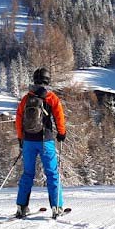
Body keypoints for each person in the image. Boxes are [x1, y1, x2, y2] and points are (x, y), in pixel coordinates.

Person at [14, 67, 67, 219]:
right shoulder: (51, 98)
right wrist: (61, 133)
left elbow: (18, 119)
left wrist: (20, 138)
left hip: (29, 141)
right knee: (52, 174)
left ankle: (21, 207)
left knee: (28, 174)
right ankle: (56, 207)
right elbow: (59, 117)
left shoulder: (26, 99)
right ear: (47, 80)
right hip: (46, 141)